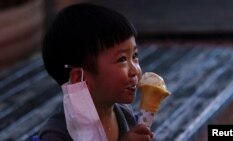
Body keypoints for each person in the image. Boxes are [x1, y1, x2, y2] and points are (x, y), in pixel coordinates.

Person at [34, 2, 153, 141]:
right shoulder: (58, 133)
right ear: (80, 78)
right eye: (122, 59)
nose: (135, 71)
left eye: (135, 56)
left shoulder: (125, 114)